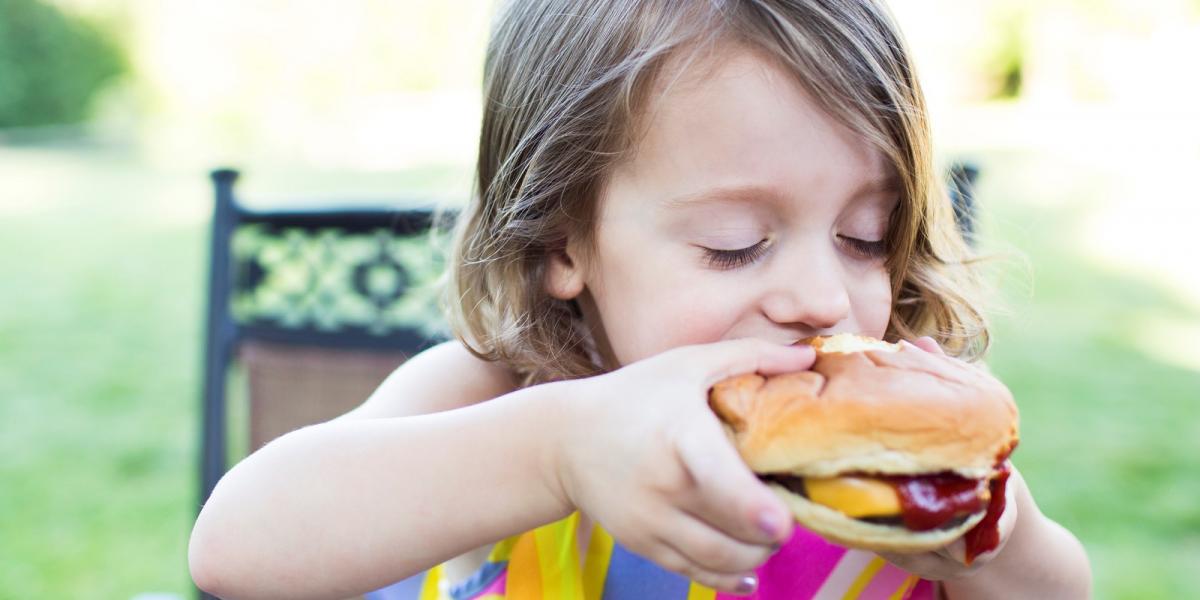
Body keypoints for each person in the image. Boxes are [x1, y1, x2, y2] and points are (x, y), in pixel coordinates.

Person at [188, 1, 1092, 598]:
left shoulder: (888, 453)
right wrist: (555, 453)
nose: (825, 298)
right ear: (560, 242)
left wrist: (992, 542)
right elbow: (236, 550)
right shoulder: (501, 397)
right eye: (735, 245)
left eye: (866, 237)